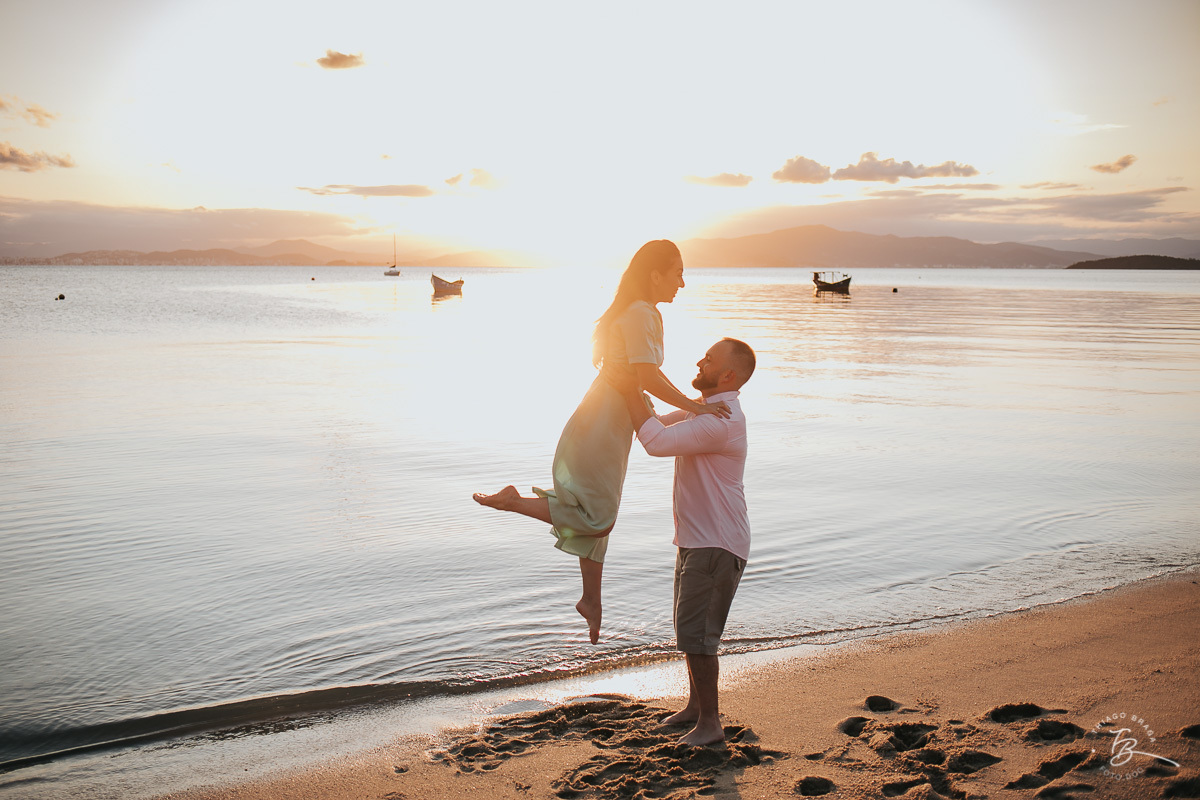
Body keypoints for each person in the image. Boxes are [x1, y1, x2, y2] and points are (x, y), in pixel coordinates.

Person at [473, 240, 730, 645]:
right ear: (655, 274)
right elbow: (646, 377)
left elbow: (640, 377)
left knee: (596, 510)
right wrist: (696, 408)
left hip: (610, 419)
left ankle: (591, 600)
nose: (683, 282)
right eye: (678, 271)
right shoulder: (641, 313)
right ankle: (515, 502)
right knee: (599, 517)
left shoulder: (639, 312)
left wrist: (685, 407)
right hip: (602, 422)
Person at [608, 337, 756, 747]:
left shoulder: (720, 420)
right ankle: (695, 708)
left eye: (708, 359)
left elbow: (654, 441)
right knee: (690, 631)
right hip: (698, 539)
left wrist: (628, 385)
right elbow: (658, 422)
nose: (699, 361)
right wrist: (635, 387)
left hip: (716, 542)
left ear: (727, 374)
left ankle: (711, 725)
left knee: (700, 636)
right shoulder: (708, 412)